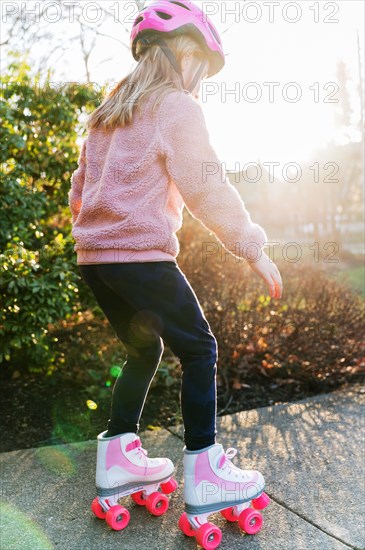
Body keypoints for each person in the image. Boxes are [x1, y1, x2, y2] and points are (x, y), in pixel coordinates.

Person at [68, 0, 282, 545]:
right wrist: (251, 247)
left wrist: (94, 233)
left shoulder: (107, 115)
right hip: (142, 256)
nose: (201, 83)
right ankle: (206, 472)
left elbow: (79, 189)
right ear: (185, 53)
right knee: (199, 349)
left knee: (143, 350)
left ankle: (118, 457)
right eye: (202, 70)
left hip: (96, 262)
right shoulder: (176, 107)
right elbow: (205, 184)